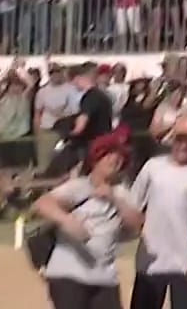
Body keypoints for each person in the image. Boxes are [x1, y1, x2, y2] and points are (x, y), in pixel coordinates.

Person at [33, 129, 142, 309]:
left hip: (105, 278)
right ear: (96, 159)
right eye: (108, 155)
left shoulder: (123, 193)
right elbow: (42, 203)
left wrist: (114, 199)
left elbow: (137, 223)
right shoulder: (80, 186)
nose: (114, 159)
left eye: (119, 157)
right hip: (69, 275)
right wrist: (67, 220)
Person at [130, 115, 187, 309]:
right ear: (172, 139)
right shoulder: (152, 167)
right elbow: (133, 205)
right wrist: (139, 229)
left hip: (185, 262)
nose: (184, 146)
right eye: (180, 140)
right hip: (151, 261)